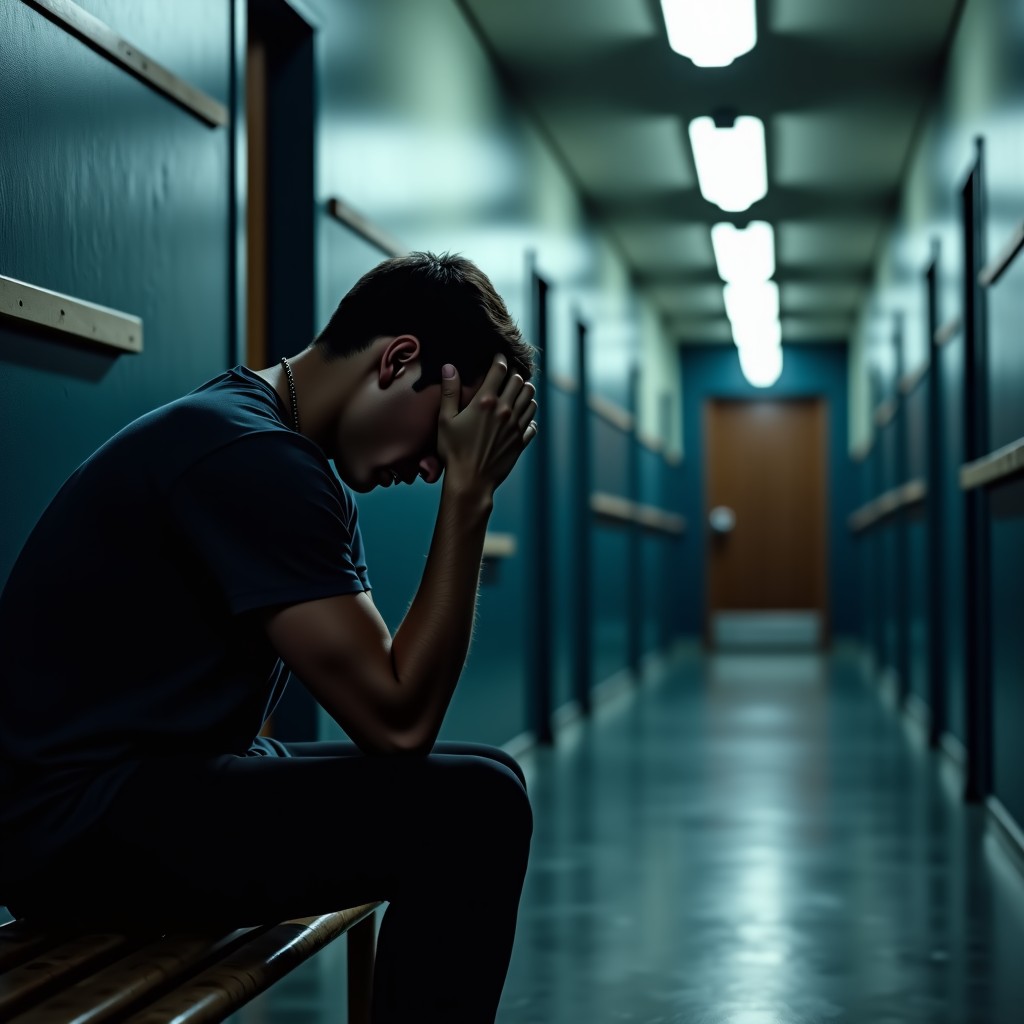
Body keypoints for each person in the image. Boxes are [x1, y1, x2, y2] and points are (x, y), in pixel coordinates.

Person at [0, 251, 539, 1022]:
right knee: (476, 811)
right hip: (77, 827)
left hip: (144, 784)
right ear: (398, 360)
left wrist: (464, 488)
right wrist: (469, 495)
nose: (436, 463)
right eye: (445, 433)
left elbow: (395, 702)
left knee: (492, 775)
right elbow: (397, 721)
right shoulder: (251, 455)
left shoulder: (263, 436)